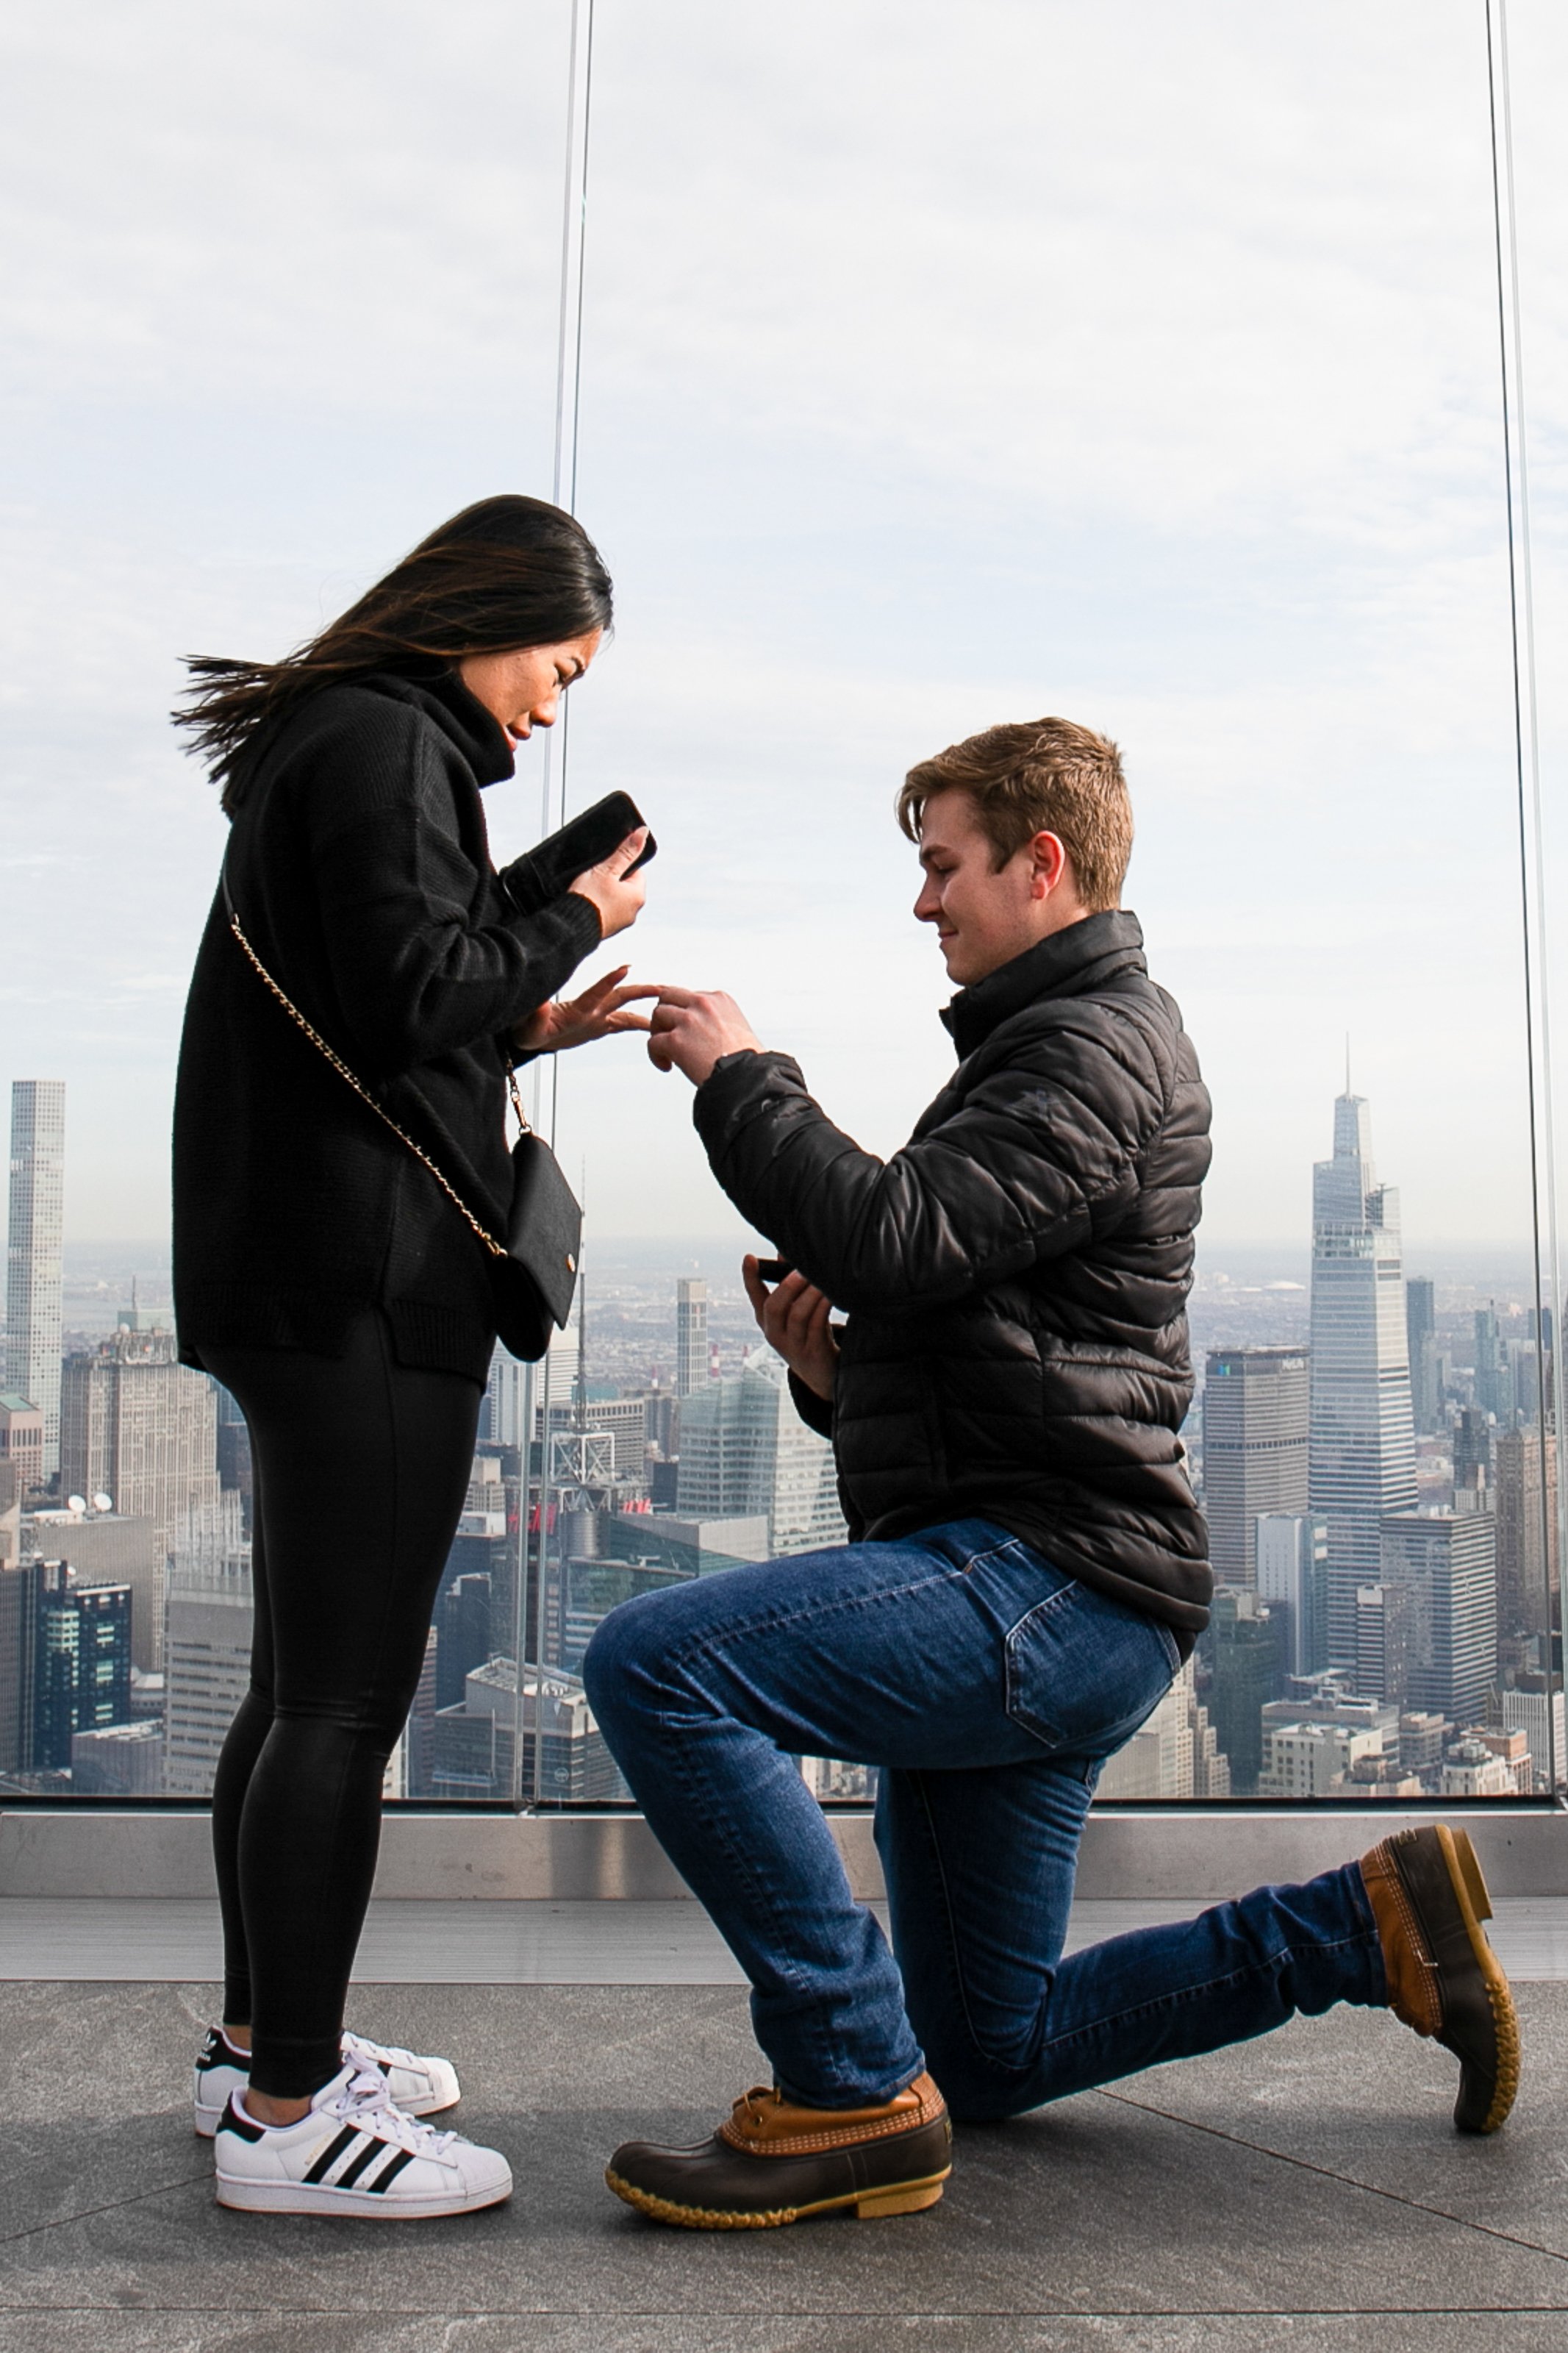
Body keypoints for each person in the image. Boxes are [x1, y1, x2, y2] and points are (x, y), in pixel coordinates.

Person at [583, 717, 1519, 2231]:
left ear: (1041, 862)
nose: (921, 901)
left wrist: (742, 1076)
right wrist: (833, 1381)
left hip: (1048, 1585)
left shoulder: (1094, 1046)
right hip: (1028, 1577)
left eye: (939, 865)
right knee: (990, 2047)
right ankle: (1366, 1926)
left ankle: (839, 2088)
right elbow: (987, 1332)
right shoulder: (1045, 1048)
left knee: (657, 1665)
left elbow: (890, 1236)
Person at [171, 494, 654, 2219]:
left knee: (293, 1693)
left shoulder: (338, 739)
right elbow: (398, 990)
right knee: (347, 1706)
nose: (549, 705)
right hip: (362, 1288)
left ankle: (258, 2047)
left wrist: (522, 1005)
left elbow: (394, 989)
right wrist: (576, 920)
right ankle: (294, 2118)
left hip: (296, 1271)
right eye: (555, 662)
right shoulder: (387, 746)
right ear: (490, 610)